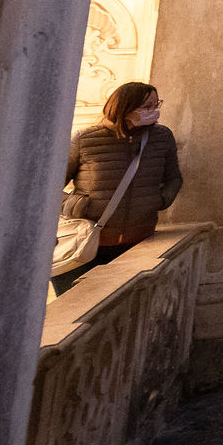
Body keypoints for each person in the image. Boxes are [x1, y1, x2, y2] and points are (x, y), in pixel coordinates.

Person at [56, 81, 184, 296]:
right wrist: (76, 205)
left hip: (139, 239)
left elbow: (174, 178)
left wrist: (160, 200)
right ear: (125, 107)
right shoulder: (86, 139)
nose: (154, 112)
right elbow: (52, 187)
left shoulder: (162, 137)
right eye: (146, 107)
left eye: (156, 105)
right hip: (90, 242)